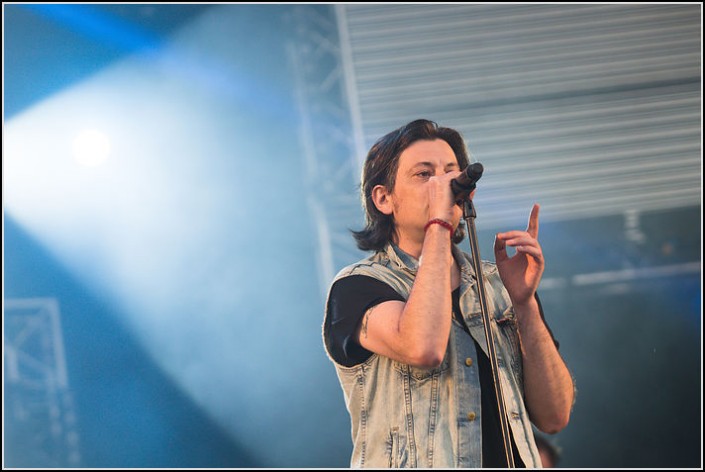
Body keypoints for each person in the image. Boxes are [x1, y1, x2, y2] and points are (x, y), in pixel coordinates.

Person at [322, 119, 575, 468]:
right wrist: (438, 223)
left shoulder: (496, 283)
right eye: (424, 174)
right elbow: (422, 347)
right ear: (383, 198)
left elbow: (554, 416)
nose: (444, 184)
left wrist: (525, 305)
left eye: (451, 172)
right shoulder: (358, 286)